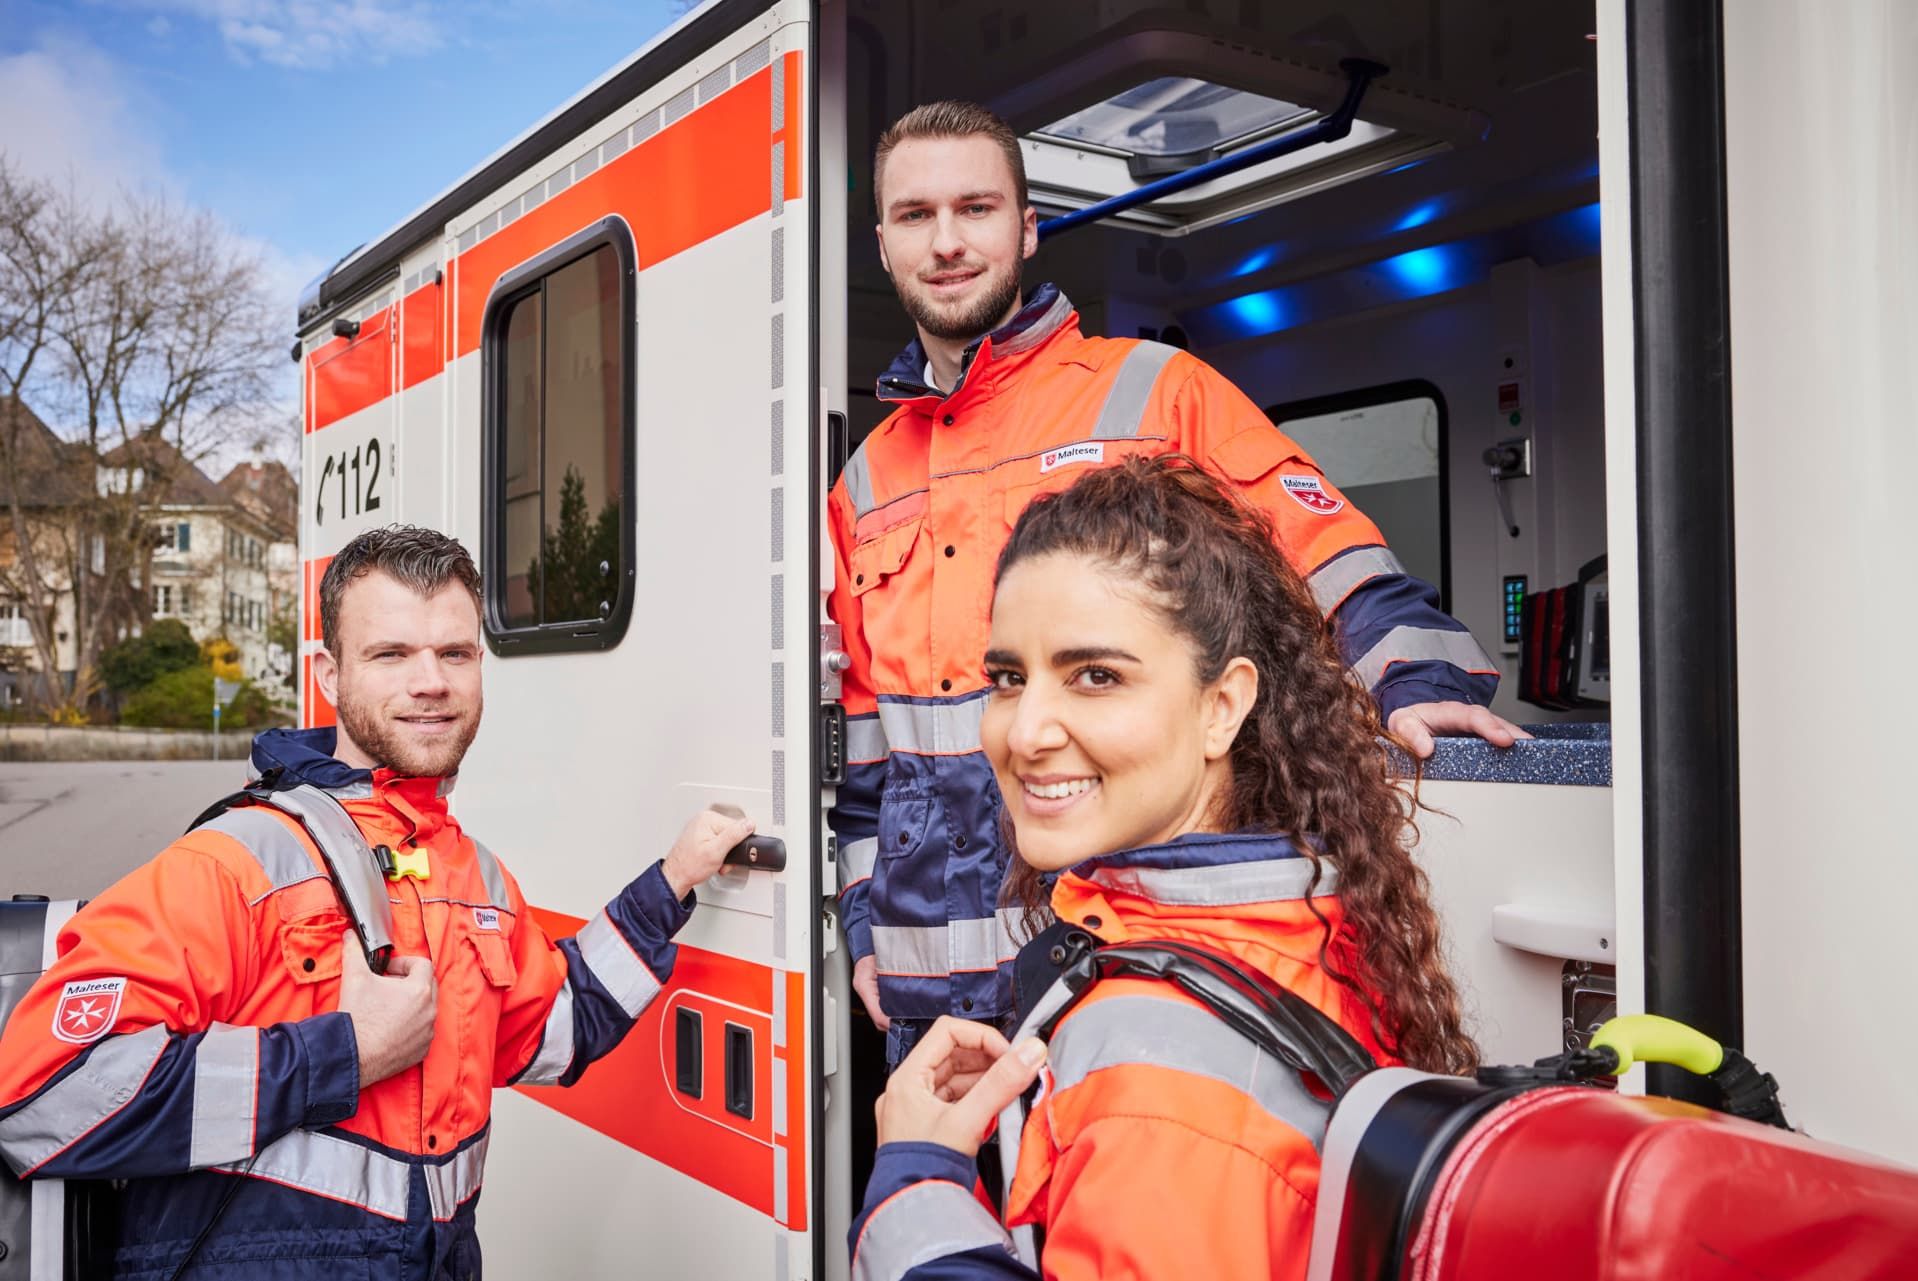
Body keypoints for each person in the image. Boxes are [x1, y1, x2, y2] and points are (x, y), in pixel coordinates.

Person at [830, 99, 1523, 1062]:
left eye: (976, 208)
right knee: (929, 1206)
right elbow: (865, 747)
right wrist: (862, 919)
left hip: (1115, 961)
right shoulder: (862, 480)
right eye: (915, 216)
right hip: (923, 994)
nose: (947, 242)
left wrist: (1415, 678)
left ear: (1027, 227)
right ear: (883, 243)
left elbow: (1324, 541)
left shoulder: (1156, 390)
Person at [0, 526, 752, 1279]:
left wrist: (673, 882)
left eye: (453, 653)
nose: (431, 681)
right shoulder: (235, 863)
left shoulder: (477, 877)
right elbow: (40, 1098)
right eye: (391, 654)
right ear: (330, 673)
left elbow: (555, 1033)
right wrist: (340, 1055)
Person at [847, 456, 1477, 1280]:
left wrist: (916, 1176)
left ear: (1223, 706)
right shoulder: (1310, 918)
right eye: (1008, 678)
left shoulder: (1152, 1087)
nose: (1025, 730)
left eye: (1096, 675)